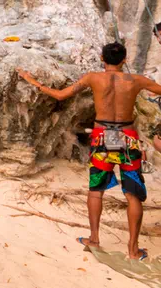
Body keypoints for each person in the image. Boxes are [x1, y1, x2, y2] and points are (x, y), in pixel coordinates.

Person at [18, 42, 161, 261]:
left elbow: (59, 95)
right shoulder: (137, 80)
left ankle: (94, 239)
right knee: (133, 195)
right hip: (127, 139)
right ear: (124, 60)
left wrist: (31, 80)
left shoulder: (93, 78)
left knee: (96, 190)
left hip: (102, 137)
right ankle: (133, 251)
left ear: (102, 59)